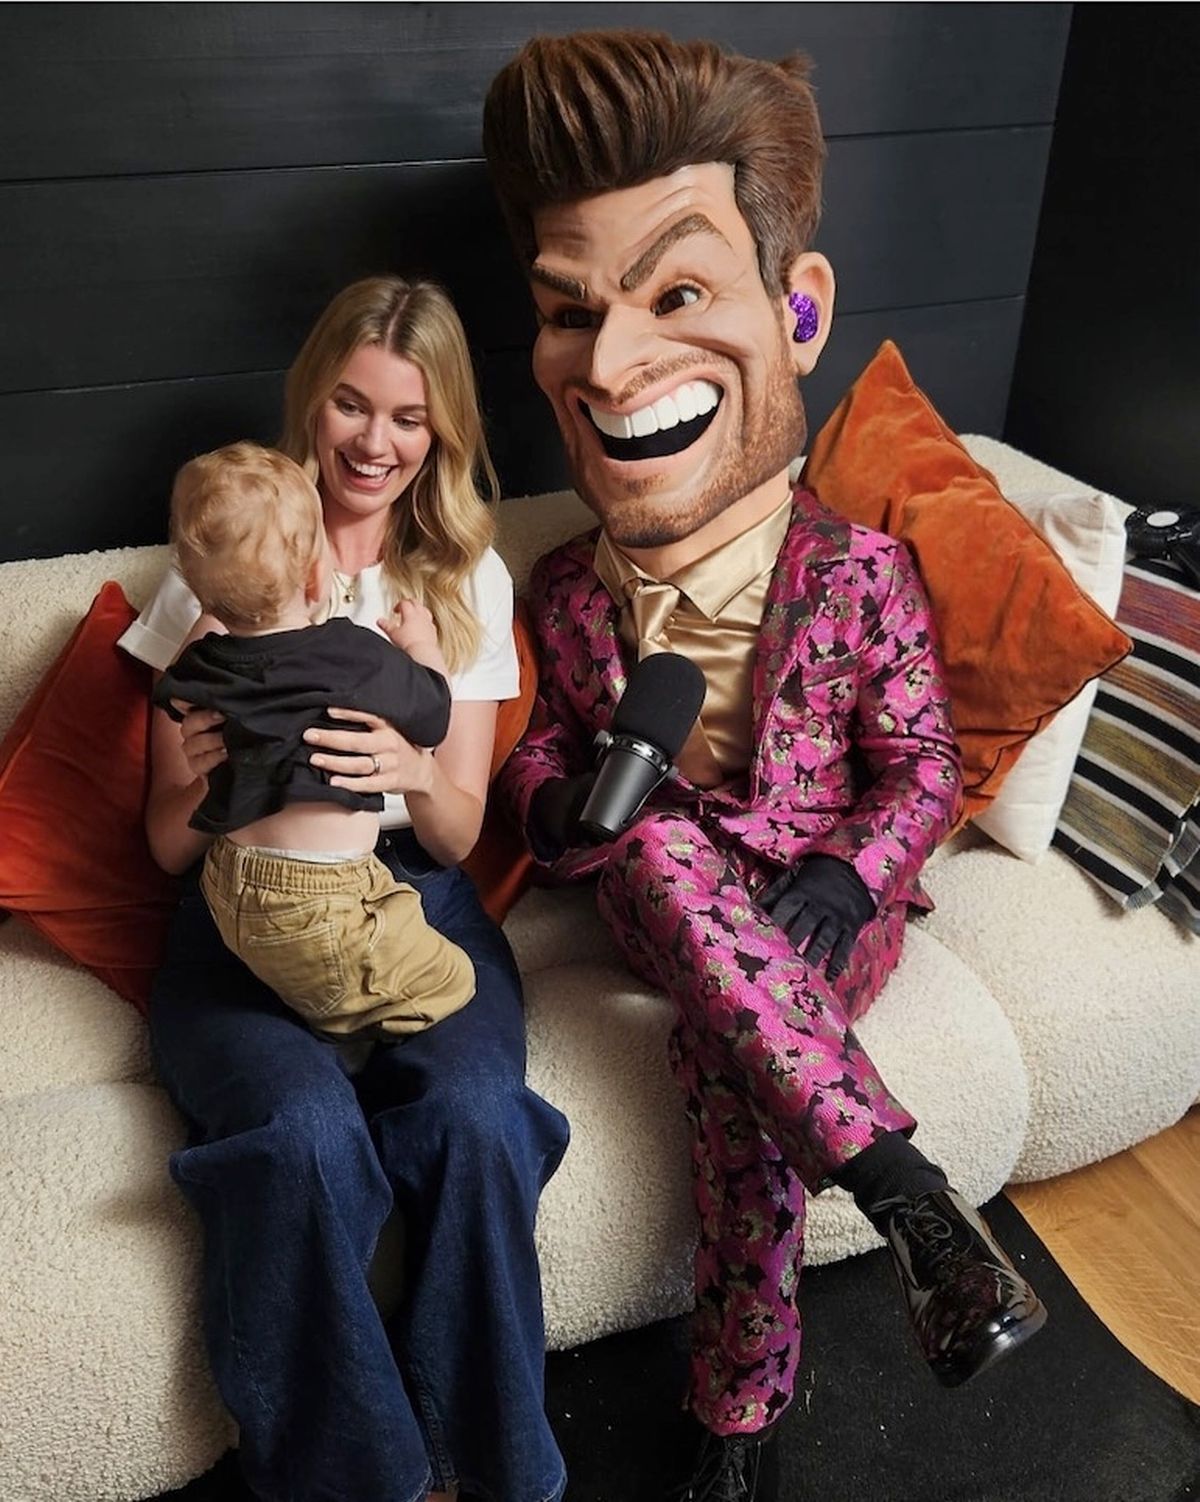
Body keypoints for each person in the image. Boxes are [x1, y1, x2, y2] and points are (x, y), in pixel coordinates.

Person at [483, 31, 1045, 1502]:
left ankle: (737, 1419)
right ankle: (917, 1206)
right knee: (657, 844)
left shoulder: (862, 570)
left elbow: (922, 764)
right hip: (657, 871)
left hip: (815, 911)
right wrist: (549, 795)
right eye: (569, 312)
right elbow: (545, 743)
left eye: (675, 293)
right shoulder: (563, 589)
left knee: (725, 1069)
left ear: (797, 310)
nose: (608, 365)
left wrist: (846, 879)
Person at [123, 276, 570, 1502]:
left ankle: (501, 1469)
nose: (374, 442)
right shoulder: (229, 550)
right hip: (238, 923)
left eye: (409, 418)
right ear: (312, 400)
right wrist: (201, 779)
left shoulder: (462, 582)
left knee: (479, 1117)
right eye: (350, 405)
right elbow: (166, 846)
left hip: (408, 897)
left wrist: (412, 761)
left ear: (441, 434)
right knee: (305, 1133)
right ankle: (362, 1480)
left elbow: (464, 826)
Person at [155, 440, 475, 1045]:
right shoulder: (351, 652)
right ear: (314, 576)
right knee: (455, 978)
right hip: (319, 895)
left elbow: (171, 694)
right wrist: (421, 645)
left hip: (228, 883)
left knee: (376, 916)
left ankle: (327, 995)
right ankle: (347, 1028)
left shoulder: (204, 659)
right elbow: (431, 714)